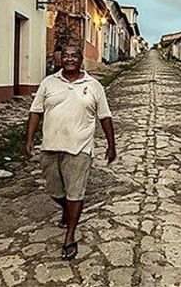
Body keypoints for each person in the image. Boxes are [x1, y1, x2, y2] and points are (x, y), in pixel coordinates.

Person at [25, 45, 116, 261]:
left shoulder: (94, 86)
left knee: (75, 193)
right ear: (60, 59)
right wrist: (29, 138)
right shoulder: (49, 82)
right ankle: (67, 210)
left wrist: (111, 145)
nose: (69, 59)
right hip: (50, 146)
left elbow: (105, 116)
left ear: (80, 59)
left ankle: (70, 235)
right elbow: (36, 110)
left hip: (79, 148)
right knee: (55, 191)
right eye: (65, 56)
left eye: (74, 55)